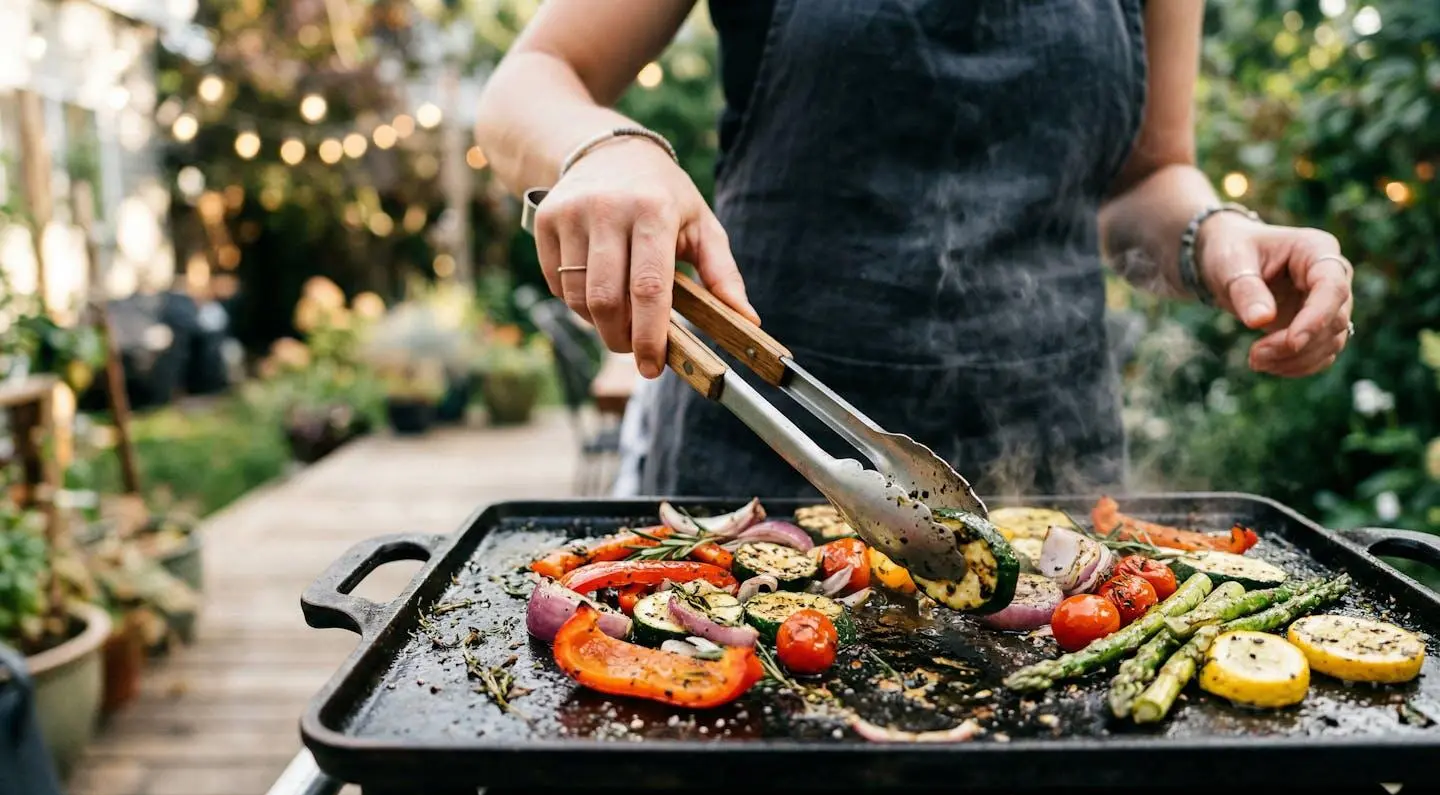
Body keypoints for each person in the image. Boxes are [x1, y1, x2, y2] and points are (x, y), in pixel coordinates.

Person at [475, 0, 1355, 500]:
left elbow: (1147, 176)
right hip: (768, 448)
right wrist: (607, 147)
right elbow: (532, 78)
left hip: (1051, 464)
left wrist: (1218, 236)